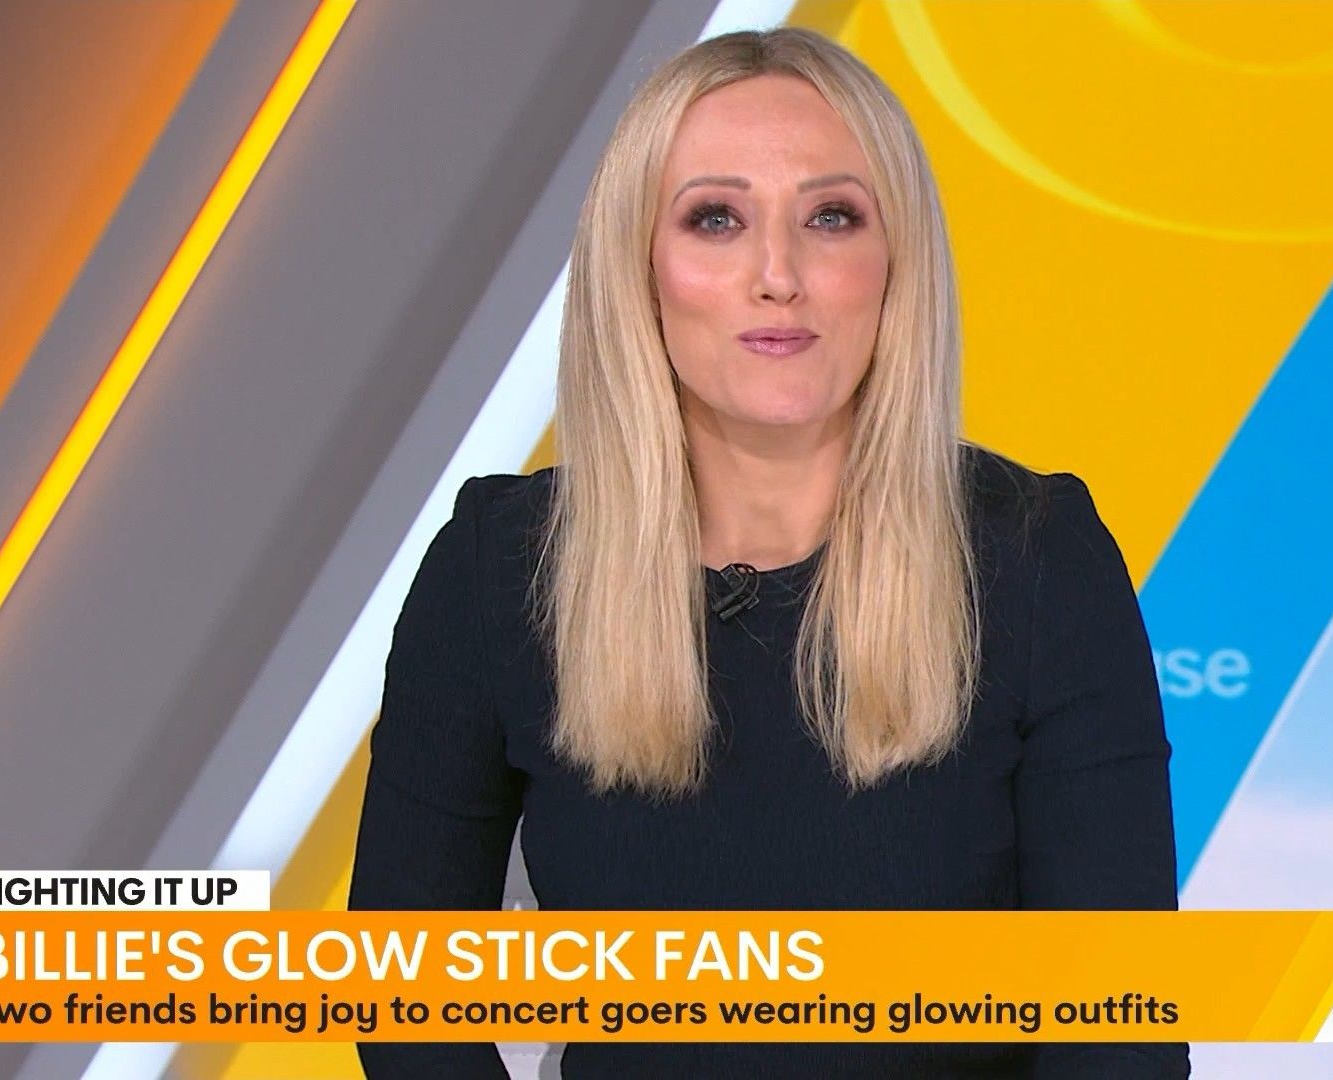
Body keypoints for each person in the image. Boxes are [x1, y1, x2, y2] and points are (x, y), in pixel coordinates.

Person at [349, 25, 1186, 1079]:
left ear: (896, 263)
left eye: (831, 218)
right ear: (640, 269)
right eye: (716, 219)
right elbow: (405, 1003)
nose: (778, 275)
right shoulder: (498, 568)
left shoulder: (1037, 557)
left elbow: (1118, 1034)